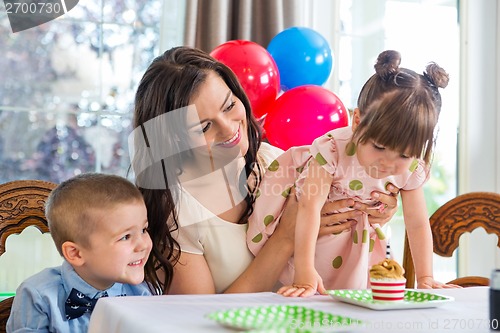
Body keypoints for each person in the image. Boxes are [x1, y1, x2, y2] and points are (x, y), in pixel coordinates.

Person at [131, 46, 399, 295]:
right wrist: (285, 237)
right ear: (172, 139)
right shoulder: (175, 214)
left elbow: (340, 217)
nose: (228, 128)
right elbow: (203, 318)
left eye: (229, 106)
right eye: (203, 127)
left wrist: (373, 207)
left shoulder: (274, 161)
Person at [247, 50, 458, 297]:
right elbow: (309, 207)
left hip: (357, 247)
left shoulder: (411, 166)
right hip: (312, 242)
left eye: (403, 155)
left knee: (350, 304)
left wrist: (425, 277)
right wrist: (304, 270)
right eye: (379, 147)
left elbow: (418, 222)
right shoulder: (334, 149)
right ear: (357, 122)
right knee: (303, 299)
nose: (387, 165)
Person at [6, 173, 155, 333]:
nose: (143, 245)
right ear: (76, 253)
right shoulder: (38, 297)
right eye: (125, 237)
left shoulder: (142, 293)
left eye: (143, 230)